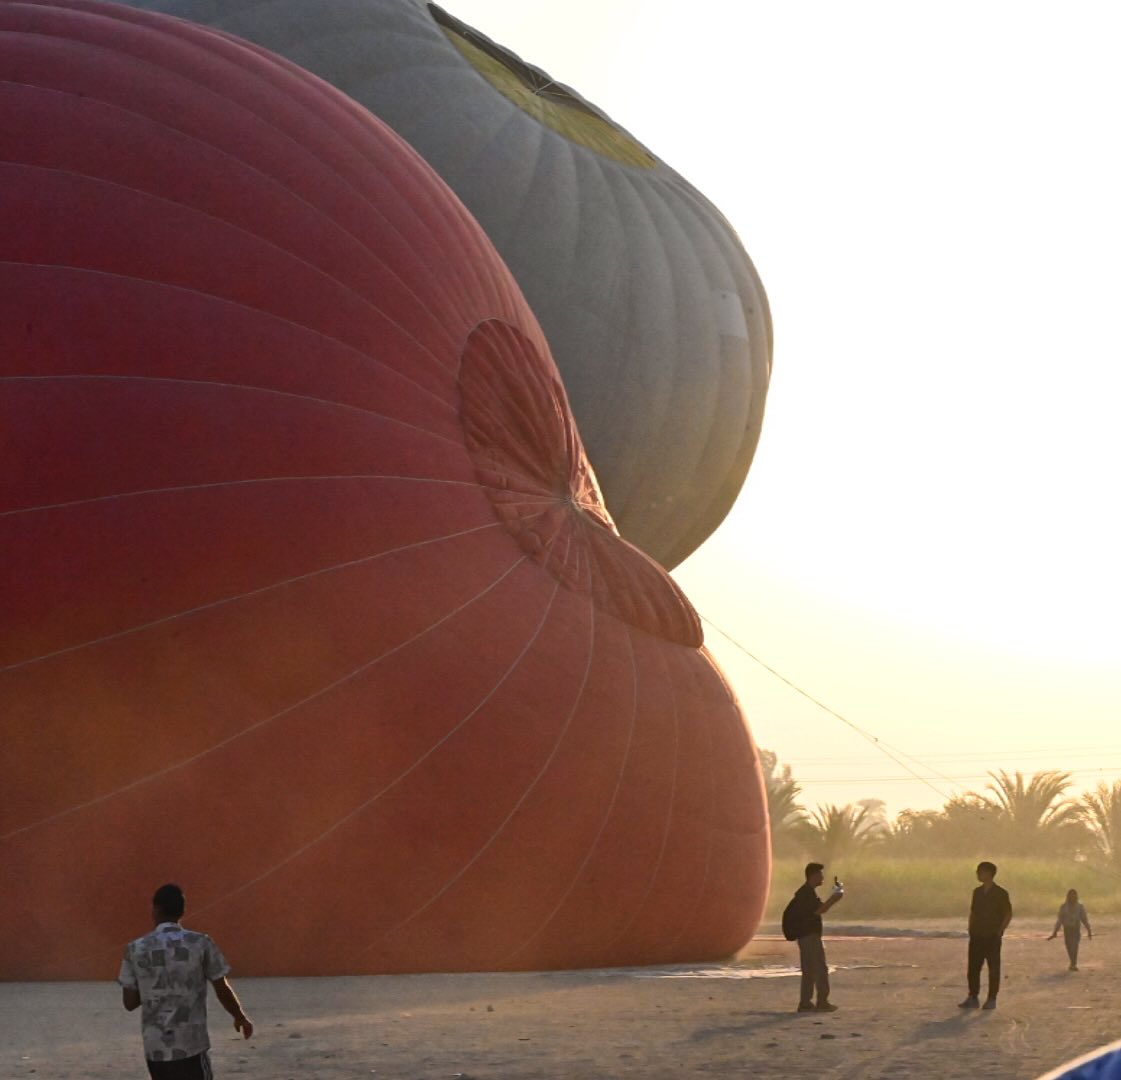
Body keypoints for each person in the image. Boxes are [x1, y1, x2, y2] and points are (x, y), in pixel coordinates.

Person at [119, 883, 253, 1078]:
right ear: (183, 911)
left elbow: (129, 1003)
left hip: (156, 1049)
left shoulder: (135, 949)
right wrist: (239, 1016)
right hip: (191, 1043)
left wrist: (153, 983)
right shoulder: (200, 943)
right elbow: (221, 986)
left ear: (155, 909)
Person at [785, 861, 844, 1013]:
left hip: (806, 936)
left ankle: (805, 1003)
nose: (822, 877)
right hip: (809, 936)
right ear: (813, 875)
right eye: (820, 874)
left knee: (809, 970)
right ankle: (821, 1001)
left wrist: (834, 896)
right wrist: (835, 897)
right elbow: (819, 911)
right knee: (819, 968)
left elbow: (818, 909)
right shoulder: (806, 893)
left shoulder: (806, 892)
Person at [959, 860, 1012, 1011]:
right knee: (973, 967)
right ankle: (973, 997)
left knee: (993, 967)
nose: (978, 874)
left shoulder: (1001, 893)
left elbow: (1007, 913)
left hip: (992, 935)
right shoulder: (977, 892)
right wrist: (970, 927)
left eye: (980, 871)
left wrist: (1000, 931)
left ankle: (991, 998)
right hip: (977, 934)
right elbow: (973, 912)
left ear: (989, 873)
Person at [1048, 888, 1092, 970]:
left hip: (1076, 929)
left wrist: (1089, 930)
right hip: (1067, 930)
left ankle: (1073, 964)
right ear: (1068, 896)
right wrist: (1055, 932)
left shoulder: (1080, 907)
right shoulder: (1063, 907)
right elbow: (1060, 920)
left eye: (1074, 895)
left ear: (1076, 897)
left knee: (1074, 946)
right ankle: (1072, 962)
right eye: (1070, 895)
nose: (1072, 897)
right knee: (1068, 946)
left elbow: (1084, 920)